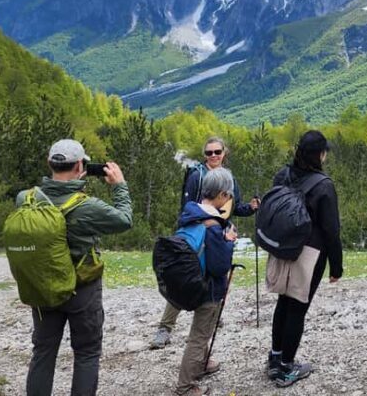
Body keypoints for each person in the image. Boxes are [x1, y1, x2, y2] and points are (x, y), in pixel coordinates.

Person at [17, 139, 133, 396]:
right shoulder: (88, 207)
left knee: (43, 353)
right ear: (81, 164)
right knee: (86, 353)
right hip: (82, 290)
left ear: (50, 162)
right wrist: (119, 186)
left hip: (43, 289)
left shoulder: (25, 199)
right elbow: (125, 220)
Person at [152, 136, 258, 349]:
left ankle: (211, 318)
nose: (213, 156)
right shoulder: (196, 175)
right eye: (209, 153)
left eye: (217, 152)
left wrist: (251, 208)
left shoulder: (229, 178)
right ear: (204, 155)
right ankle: (165, 328)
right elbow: (188, 206)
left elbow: (233, 207)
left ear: (224, 153)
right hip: (199, 234)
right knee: (186, 278)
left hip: (219, 234)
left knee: (218, 277)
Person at [266, 130, 343, 388]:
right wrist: (337, 266)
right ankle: (286, 367)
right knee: (298, 308)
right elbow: (331, 231)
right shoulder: (323, 185)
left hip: (281, 248)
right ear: (320, 155)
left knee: (282, 304)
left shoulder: (282, 175)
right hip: (309, 254)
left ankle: (275, 357)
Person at [174, 167, 238, 396]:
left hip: (193, 281)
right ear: (221, 194)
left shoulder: (191, 212)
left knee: (201, 333)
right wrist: (228, 241)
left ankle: (201, 364)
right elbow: (219, 266)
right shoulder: (212, 223)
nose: (229, 199)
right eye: (228, 194)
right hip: (209, 288)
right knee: (199, 337)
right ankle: (186, 386)